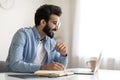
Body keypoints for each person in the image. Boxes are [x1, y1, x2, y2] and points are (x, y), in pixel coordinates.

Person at [5, 4, 68, 73]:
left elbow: (61, 69)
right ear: (43, 22)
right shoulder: (22, 35)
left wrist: (63, 54)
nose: (57, 28)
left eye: (58, 24)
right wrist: (44, 68)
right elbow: (15, 64)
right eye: (54, 23)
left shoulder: (51, 42)